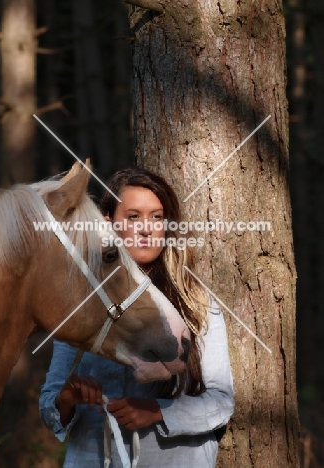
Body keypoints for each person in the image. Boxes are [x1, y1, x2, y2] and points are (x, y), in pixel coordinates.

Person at [39, 167, 234, 468]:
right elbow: (51, 407)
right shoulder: (80, 301)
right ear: (108, 223)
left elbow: (221, 402)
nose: (147, 228)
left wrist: (159, 410)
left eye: (157, 217)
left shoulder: (196, 302)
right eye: (133, 217)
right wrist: (68, 397)